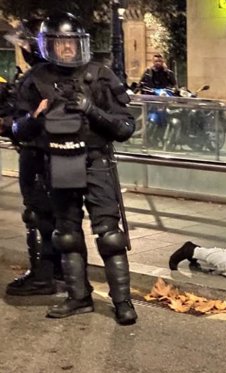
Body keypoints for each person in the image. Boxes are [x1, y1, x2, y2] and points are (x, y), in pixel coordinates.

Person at [12, 12, 137, 325]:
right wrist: (35, 118)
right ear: (49, 46)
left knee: (109, 236)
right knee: (66, 234)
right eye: (61, 43)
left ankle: (122, 301)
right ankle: (78, 297)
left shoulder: (101, 75)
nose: (67, 49)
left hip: (96, 162)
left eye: (72, 43)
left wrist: (91, 110)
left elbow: (124, 127)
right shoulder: (34, 79)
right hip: (56, 163)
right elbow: (16, 129)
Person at [3, 18, 64, 296]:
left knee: (38, 215)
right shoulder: (63, 75)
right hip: (63, 157)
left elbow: (21, 126)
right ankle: (62, 269)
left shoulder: (34, 78)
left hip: (38, 156)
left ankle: (43, 274)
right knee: (61, 215)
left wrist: (11, 124)